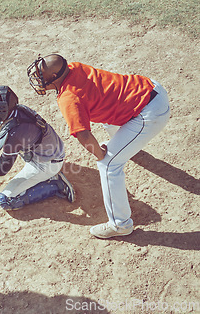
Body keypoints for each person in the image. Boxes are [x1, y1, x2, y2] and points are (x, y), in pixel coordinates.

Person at [27, 54, 170, 238]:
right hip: (150, 87)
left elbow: (84, 135)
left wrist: (101, 154)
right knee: (107, 118)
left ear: (54, 77)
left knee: (108, 165)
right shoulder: (74, 67)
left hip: (150, 114)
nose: (37, 79)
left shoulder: (68, 98)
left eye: (41, 75)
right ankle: (128, 147)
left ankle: (120, 225)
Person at [0, 85, 75, 211]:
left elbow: (1, 169)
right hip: (53, 150)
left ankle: (58, 185)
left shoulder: (13, 134)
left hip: (46, 164)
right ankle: (49, 174)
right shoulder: (19, 110)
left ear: (1, 110)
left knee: (5, 200)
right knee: (23, 151)